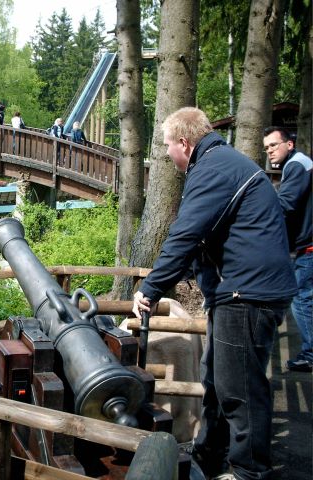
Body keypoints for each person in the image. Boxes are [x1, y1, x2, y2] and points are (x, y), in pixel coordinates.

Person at [131, 108, 297, 480]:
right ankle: (208, 456)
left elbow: (185, 234)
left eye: (167, 146)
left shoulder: (212, 169)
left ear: (184, 143)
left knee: (240, 389)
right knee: (217, 382)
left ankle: (249, 471)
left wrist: (151, 288)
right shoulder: (220, 162)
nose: (167, 153)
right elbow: (213, 233)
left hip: (248, 293)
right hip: (243, 289)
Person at [263, 126, 313, 372]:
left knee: (302, 300)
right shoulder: (299, 164)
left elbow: (286, 205)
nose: (269, 151)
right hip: (305, 245)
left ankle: (310, 355)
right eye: (266, 148)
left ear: (289, 144)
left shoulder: (297, 165)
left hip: (308, 247)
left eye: (273, 145)